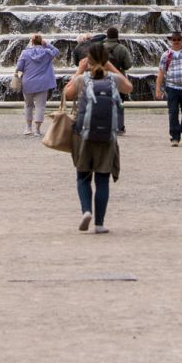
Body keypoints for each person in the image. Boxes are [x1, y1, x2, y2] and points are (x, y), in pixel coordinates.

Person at [62, 42, 132, 234]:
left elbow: (67, 94)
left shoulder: (83, 80)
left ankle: (86, 211)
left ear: (88, 60)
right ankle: (99, 223)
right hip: (107, 136)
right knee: (102, 180)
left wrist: (79, 69)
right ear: (106, 59)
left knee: (83, 177)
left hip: (83, 135)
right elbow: (129, 87)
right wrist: (110, 66)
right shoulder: (114, 79)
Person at [15, 33, 58, 136]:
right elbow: (56, 52)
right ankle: (37, 130)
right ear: (41, 41)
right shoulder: (47, 52)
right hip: (43, 83)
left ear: (32, 42)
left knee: (28, 105)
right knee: (40, 106)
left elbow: (19, 67)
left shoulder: (25, 53)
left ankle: (28, 128)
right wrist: (47, 44)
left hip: (28, 83)